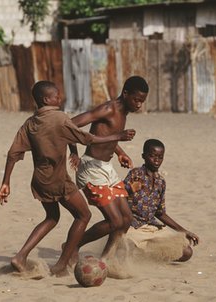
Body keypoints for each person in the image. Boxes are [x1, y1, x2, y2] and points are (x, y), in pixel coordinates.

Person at [0, 81, 135, 277]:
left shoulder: (30, 123)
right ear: (47, 99)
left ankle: (20, 257)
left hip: (39, 180)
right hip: (58, 180)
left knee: (52, 218)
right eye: (57, 96)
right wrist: (117, 137)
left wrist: (6, 182)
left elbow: (13, 153)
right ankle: (62, 264)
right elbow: (88, 138)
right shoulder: (60, 118)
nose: (60, 98)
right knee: (83, 215)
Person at [68, 76, 149, 264]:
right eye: (136, 100)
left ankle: (105, 259)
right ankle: (72, 245)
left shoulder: (124, 112)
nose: (138, 105)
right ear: (125, 93)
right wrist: (73, 152)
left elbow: (105, 135)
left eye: (142, 102)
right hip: (91, 169)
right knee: (114, 221)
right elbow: (70, 125)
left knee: (126, 219)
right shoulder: (108, 109)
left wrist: (119, 152)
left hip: (107, 168)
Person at [124, 139, 199, 262]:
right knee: (127, 249)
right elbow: (120, 196)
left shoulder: (161, 182)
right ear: (144, 156)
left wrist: (184, 231)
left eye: (160, 157)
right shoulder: (135, 174)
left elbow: (160, 213)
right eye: (152, 156)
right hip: (134, 227)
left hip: (153, 228)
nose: (156, 160)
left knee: (186, 252)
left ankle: (149, 253)